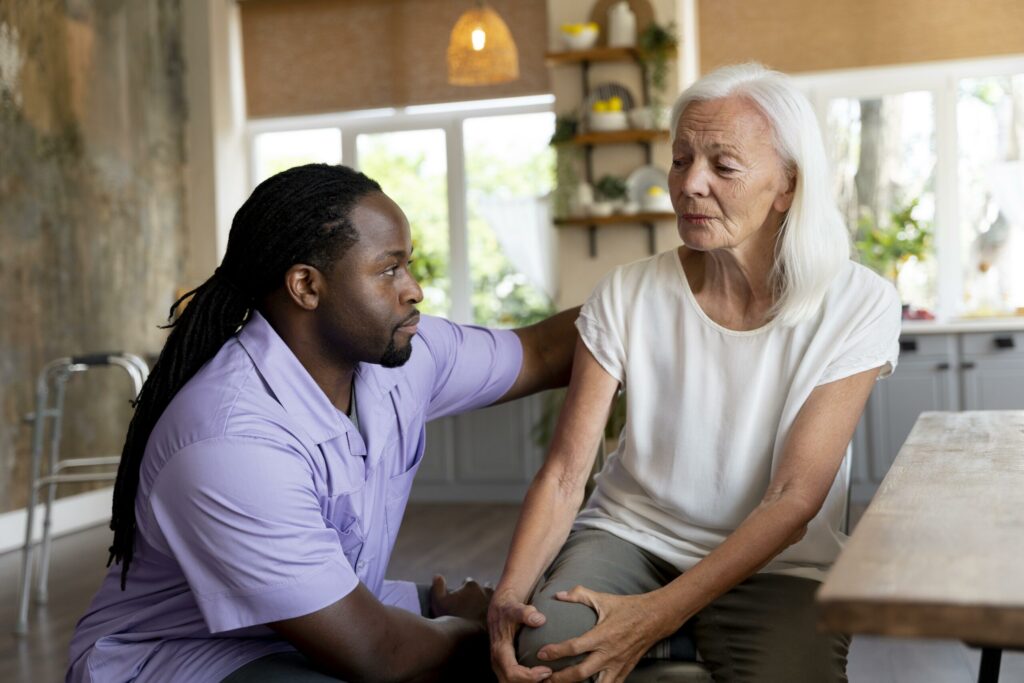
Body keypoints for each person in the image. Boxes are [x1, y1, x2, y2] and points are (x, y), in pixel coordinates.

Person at [66, 163, 579, 683]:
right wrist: (478, 629)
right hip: (182, 654)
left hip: (321, 616)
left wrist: (656, 290)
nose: (415, 289)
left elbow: (540, 351)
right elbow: (378, 655)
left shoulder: (398, 355)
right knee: (494, 644)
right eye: (389, 270)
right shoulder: (232, 440)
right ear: (307, 286)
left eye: (410, 266)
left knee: (541, 626)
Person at [489, 63, 902, 683]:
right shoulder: (627, 292)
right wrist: (508, 598)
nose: (688, 185)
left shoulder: (857, 303)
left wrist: (654, 617)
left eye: (722, 166)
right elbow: (566, 474)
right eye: (680, 160)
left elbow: (795, 501)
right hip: (631, 537)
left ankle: (673, 637)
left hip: (779, 564)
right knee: (540, 657)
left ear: (787, 185)